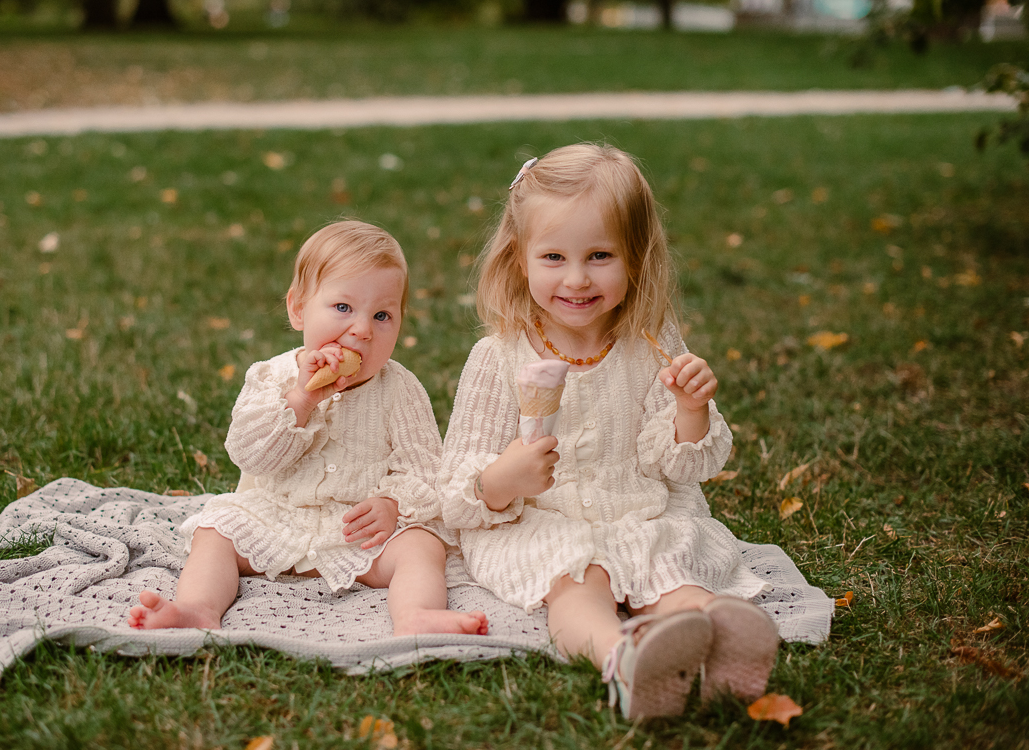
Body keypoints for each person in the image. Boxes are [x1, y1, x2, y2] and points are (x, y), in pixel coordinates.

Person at [439, 145, 778, 719]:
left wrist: (690, 410)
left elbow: (684, 465)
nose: (576, 279)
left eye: (600, 255)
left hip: (637, 509)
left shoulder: (652, 342)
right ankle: (620, 658)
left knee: (671, 572)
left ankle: (716, 642)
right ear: (519, 259)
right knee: (579, 582)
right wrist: (503, 478)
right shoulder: (497, 357)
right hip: (539, 522)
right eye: (553, 256)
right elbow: (454, 489)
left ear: (636, 261)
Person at [131, 220, 487, 637]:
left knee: (421, 547)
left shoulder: (401, 389)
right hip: (275, 520)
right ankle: (197, 608)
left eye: (382, 315)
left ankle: (416, 615)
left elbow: (426, 469)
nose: (362, 329)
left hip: (360, 536)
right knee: (215, 531)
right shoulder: (272, 377)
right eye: (342, 308)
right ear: (298, 309)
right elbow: (249, 454)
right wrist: (300, 399)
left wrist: (392, 504)